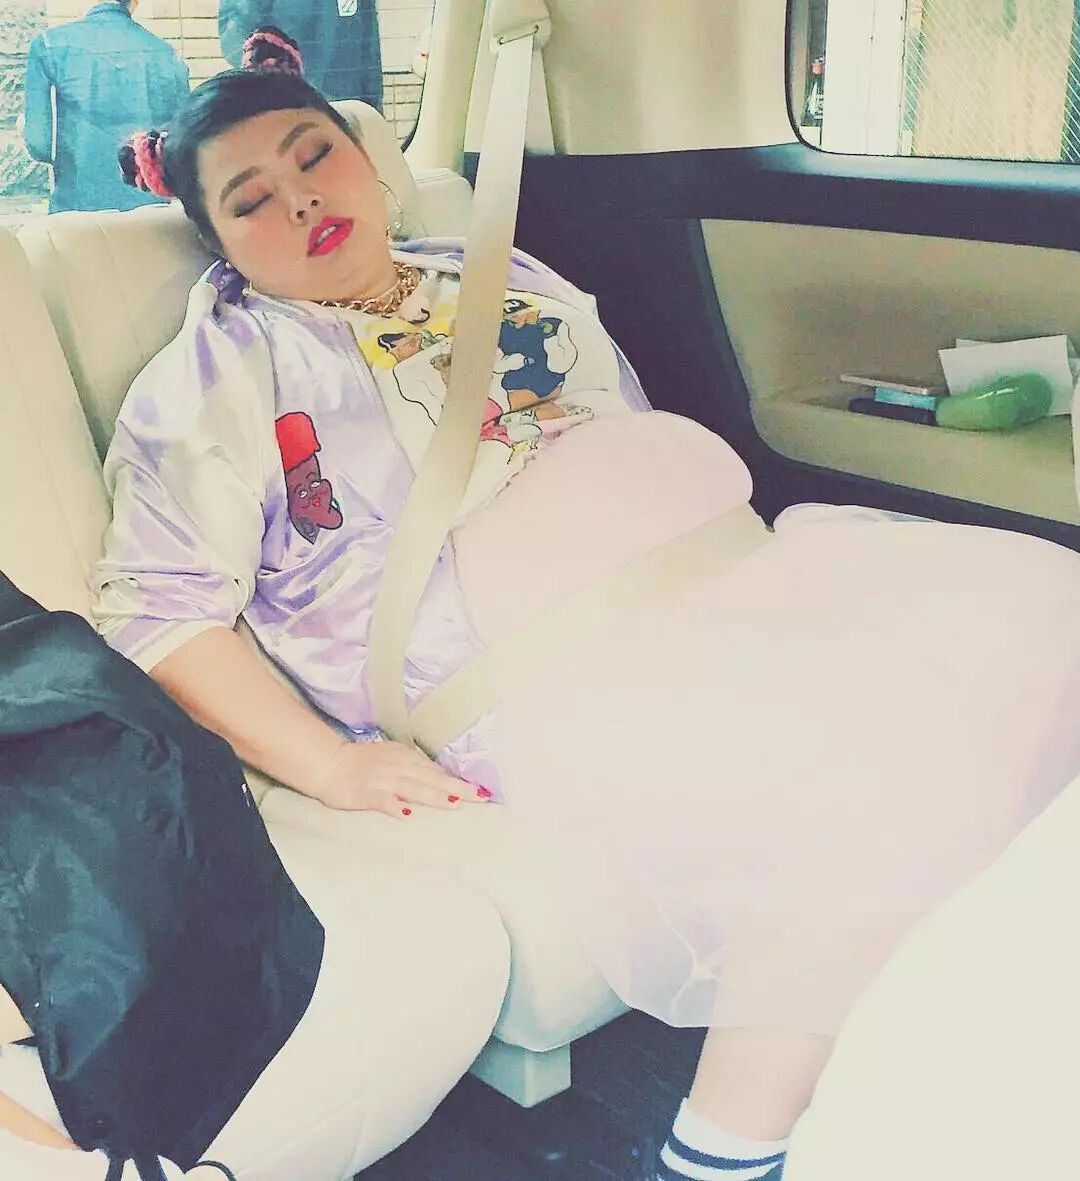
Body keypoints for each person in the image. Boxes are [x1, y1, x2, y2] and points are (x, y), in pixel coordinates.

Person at [91, 30, 1080, 1181]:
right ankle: (724, 1141)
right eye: (252, 199)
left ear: (364, 155)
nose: (301, 197)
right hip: (526, 665)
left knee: (1042, 608)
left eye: (315, 154)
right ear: (217, 244)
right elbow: (159, 615)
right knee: (879, 758)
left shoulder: (501, 273)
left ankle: (958, 1046)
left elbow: (615, 428)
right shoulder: (217, 378)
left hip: (721, 581)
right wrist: (332, 765)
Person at [23, 0, 189, 214]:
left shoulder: (49, 45)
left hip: (79, 209)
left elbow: (39, 144)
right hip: (153, 213)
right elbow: (183, 140)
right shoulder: (167, 53)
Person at [218, 1, 383, 109]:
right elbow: (234, 43)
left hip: (347, 105)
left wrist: (373, 106)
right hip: (286, 105)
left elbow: (368, 41)